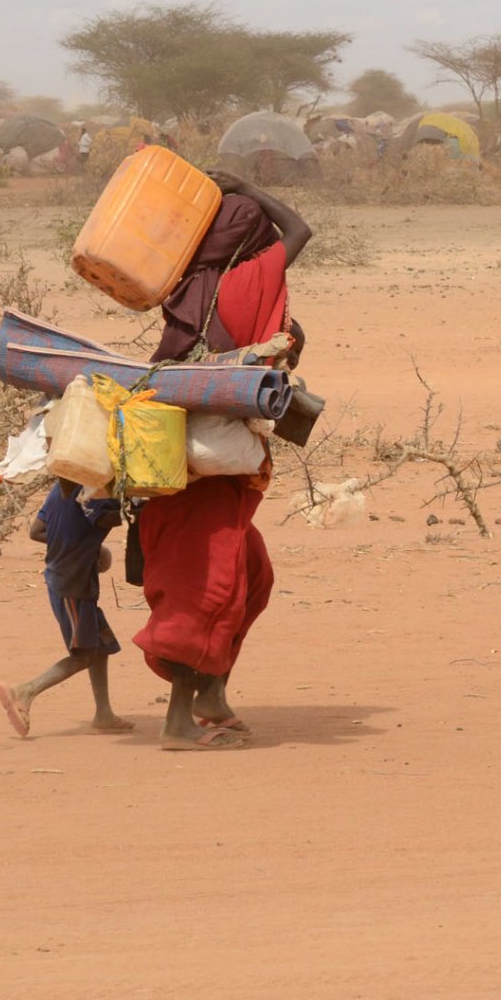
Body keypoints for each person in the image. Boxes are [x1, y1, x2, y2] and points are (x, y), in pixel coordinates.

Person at [134, 170, 310, 751]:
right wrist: (251, 188)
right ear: (246, 242)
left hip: (182, 464)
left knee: (252, 579)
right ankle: (177, 722)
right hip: (204, 477)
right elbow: (301, 229)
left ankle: (211, 694)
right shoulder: (243, 281)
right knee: (203, 591)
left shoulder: (184, 286)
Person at [0, 480, 132, 737]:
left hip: (66, 578)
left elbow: (37, 531)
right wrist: (136, 505)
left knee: (100, 646)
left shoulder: (62, 487)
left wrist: (83, 546)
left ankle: (104, 713)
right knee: (85, 654)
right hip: (73, 585)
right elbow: (107, 518)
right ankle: (24, 691)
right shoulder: (95, 490)